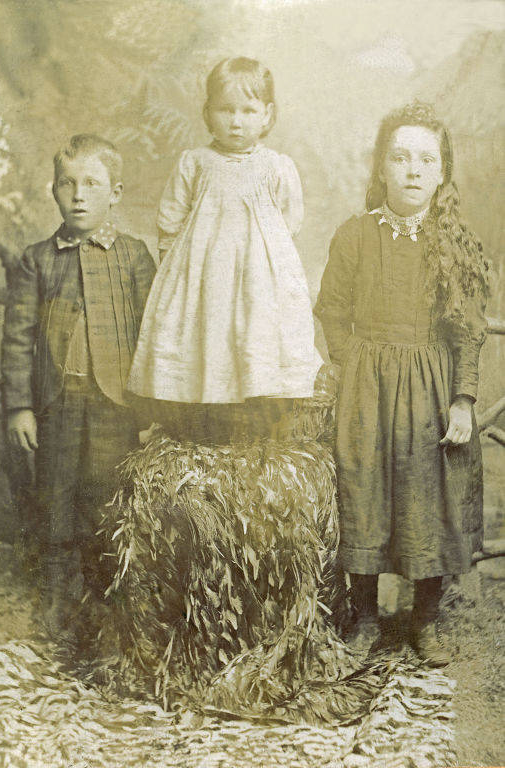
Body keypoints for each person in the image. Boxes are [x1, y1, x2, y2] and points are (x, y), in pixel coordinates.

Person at [315, 102, 491, 666]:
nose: (413, 170)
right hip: (367, 391)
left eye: (426, 159)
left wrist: (462, 400)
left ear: (442, 173)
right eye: (400, 157)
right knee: (363, 495)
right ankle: (366, 618)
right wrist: (352, 366)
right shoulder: (355, 235)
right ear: (381, 168)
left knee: (429, 498)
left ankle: (425, 621)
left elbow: (467, 332)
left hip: (432, 392)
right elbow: (331, 310)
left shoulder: (454, 244)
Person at [1, 134, 156, 639]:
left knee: (107, 498)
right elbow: (18, 338)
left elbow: (152, 336)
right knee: (56, 498)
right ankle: (56, 602)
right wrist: (20, 407)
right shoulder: (36, 260)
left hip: (117, 405)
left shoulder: (134, 257)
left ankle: (108, 607)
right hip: (56, 402)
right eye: (68, 184)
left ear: (116, 193)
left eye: (92, 184)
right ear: (53, 191)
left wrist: (153, 409)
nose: (79, 195)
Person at [128, 57, 321, 443]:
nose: (237, 121)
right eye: (226, 110)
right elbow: (170, 221)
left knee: (256, 343)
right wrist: (179, 279)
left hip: (258, 283)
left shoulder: (277, 167)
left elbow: (288, 223)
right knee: (206, 343)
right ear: (208, 113)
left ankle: (252, 432)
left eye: (248, 111)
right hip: (204, 280)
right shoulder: (195, 163)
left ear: (267, 116)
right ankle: (200, 427)